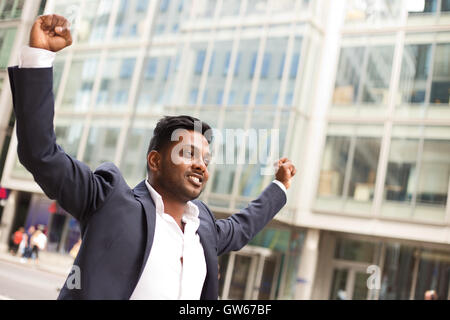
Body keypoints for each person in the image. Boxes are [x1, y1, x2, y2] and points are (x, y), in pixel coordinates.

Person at [8, 14, 296, 300]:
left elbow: (242, 226)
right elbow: (40, 153)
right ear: (155, 161)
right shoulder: (109, 200)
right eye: (189, 153)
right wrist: (40, 57)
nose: (200, 165)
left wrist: (279, 186)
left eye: (206, 160)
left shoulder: (202, 225)